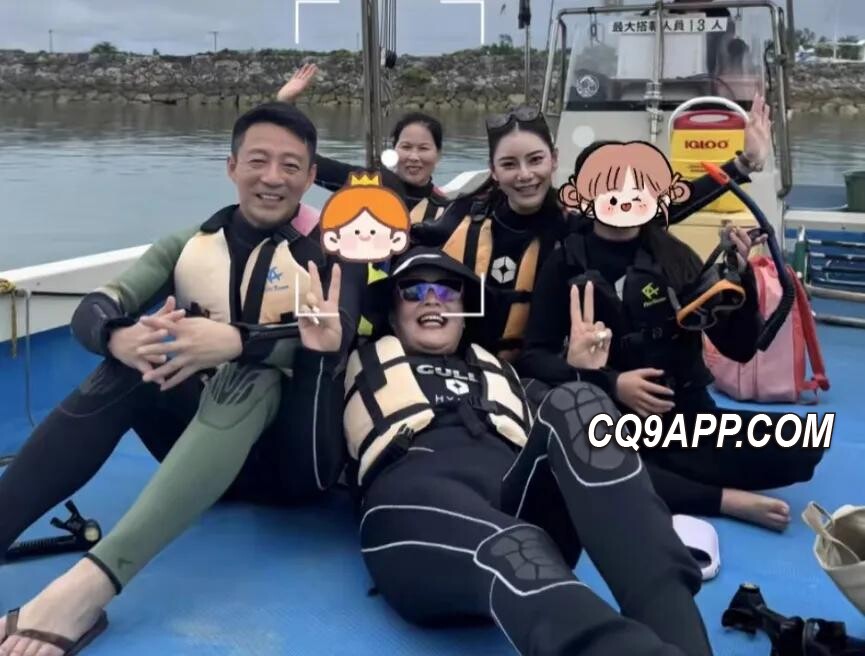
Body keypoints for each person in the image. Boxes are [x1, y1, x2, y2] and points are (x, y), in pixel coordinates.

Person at [0, 102, 363, 655]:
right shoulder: (188, 244)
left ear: (311, 177)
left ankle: (83, 592)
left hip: (294, 469)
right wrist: (118, 336)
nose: (272, 177)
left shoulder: (335, 255)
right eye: (258, 161)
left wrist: (238, 340)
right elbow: (94, 308)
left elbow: (339, 331)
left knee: (253, 376)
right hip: (203, 464)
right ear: (231, 166)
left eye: (291, 166)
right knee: (138, 359)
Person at [336, 245, 713, 656]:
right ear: (392, 316)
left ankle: (684, 636)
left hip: (514, 502)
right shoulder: (352, 365)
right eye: (412, 290)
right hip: (415, 505)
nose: (432, 299)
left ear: (465, 313)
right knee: (516, 548)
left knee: (580, 400)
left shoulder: (506, 377)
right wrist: (315, 363)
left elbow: (601, 467)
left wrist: (583, 375)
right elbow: (303, 471)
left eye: (447, 291)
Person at [517, 134, 825, 532]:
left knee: (803, 445)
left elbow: (740, 349)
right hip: (611, 420)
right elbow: (534, 356)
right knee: (588, 457)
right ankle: (719, 499)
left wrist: (742, 279)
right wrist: (613, 383)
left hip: (685, 418)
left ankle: (657, 479)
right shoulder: (565, 263)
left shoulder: (675, 256)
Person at [408, 99, 770, 363]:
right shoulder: (464, 217)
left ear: (554, 160)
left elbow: (660, 207)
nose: (525, 175)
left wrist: (743, 164)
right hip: (465, 364)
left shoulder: (574, 220)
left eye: (535, 160)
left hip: (541, 372)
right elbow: (404, 243)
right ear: (493, 170)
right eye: (509, 164)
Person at [277, 63, 450, 224]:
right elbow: (308, 160)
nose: (413, 156)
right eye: (406, 147)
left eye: (423, 148)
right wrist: (284, 105)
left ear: (438, 155)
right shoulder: (373, 183)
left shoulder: (447, 208)